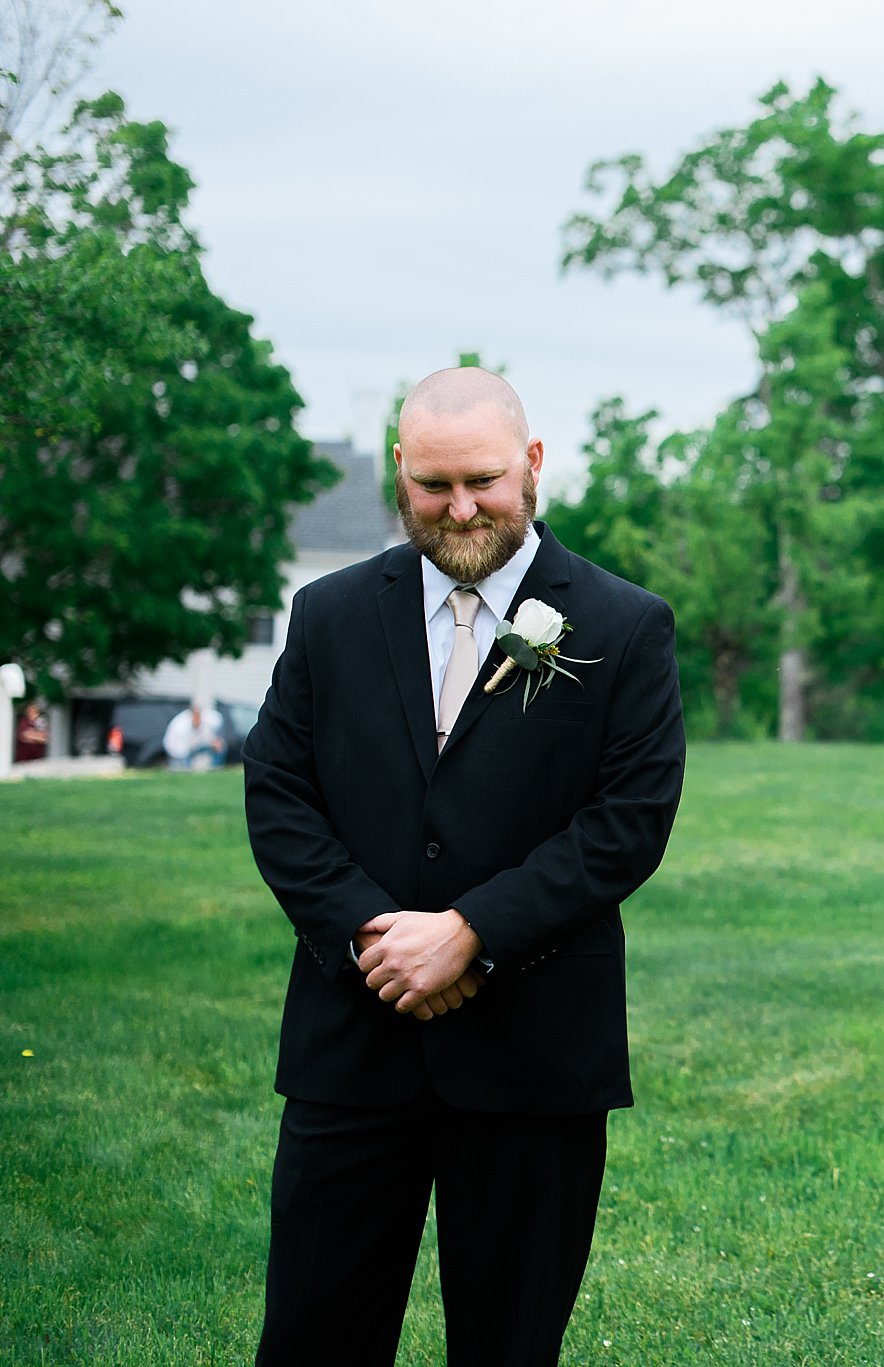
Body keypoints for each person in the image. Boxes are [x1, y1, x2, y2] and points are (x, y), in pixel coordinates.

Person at [242, 367, 686, 1366]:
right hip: (352, 1047)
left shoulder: (623, 625)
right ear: (400, 473)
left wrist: (470, 933)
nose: (460, 507)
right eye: (433, 485)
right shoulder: (327, 613)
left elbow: (627, 821)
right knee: (312, 1342)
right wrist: (371, 931)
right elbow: (278, 790)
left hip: (534, 1057)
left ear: (531, 464)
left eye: (482, 479)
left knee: (507, 1349)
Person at [163, 699, 227, 770]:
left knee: (219, 747)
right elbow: (180, 748)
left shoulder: (202, 721)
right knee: (182, 767)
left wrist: (214, 743)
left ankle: (216, 769)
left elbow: (207, 736)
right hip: (177, 749)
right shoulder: (181, 726)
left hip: (193, 747)